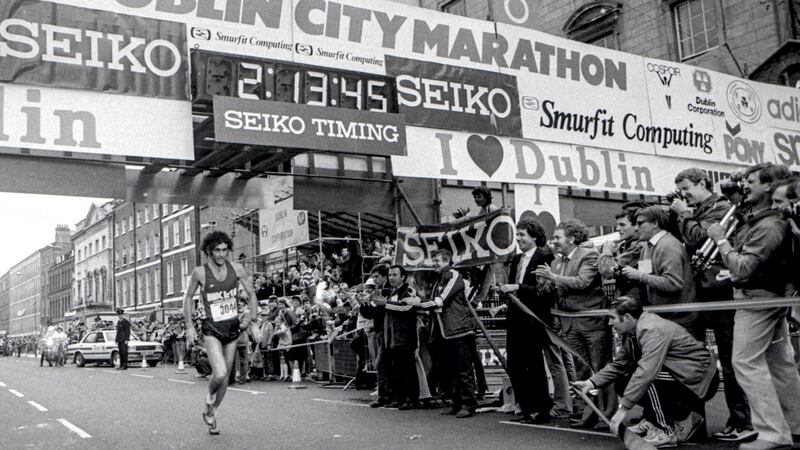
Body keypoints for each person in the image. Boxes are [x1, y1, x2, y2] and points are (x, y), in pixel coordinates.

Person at [707, 163, 800, 450]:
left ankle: (773, 432)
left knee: (745, 362)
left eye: (750, 181)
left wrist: (721, 240)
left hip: (757, 300)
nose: (744, 186)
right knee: (780, 364)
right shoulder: (765, 219)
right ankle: (795, 425)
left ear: (769, 186)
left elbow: (744, 267)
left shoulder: (769, 224)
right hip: (767, 297)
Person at [670, 168, 753, 441]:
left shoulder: (722, 208)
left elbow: (700, 239)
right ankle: (694, 423)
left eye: (687, 188)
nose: (684, 195)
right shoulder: (695, 210)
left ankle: (742, 420)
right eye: (680, 191)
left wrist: (684, 213)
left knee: (730, 360)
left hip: (720, 291)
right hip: (699, 292)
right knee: (693, 359)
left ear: (703, 183)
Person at [573, 298, 719, 448]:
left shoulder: (651, 329)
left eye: (612, 318)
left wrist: (622, 410)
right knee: (623, 382)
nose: (609, 323)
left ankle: (665, 431)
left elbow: (647, 372)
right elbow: (619, 365)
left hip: (700, 379)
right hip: (682, 376)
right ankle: (659, 421)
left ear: (628, 317)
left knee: (648, 377)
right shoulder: (633, 332)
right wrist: (590, 383)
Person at [535, 219, 611, 429]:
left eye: (558, 237)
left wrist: (553, 277)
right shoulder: (557, 262)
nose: (554, 241)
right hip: (570, 324)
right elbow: (553, 290)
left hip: (591, 322)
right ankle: (588, 413)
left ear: (572, 238)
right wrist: (544, 284)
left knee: (600, 369)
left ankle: (607, 414)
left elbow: (582, 282)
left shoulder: (589, 255)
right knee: (581, 371)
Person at [183, 231, 258, 435]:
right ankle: (208, 398)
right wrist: (189, 326)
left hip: (232, 328)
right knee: (221, 372)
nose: (221, 254)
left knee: (226, 379)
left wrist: (253, 319)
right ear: (209, 251)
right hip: (212, 329)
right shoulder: (200, 272)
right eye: (217, 250)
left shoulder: (238, 269)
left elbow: (251, 293)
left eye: (225, 250)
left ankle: (212, 412)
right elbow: (188, 298)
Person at [498, 218, 556, 424]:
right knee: (514, 364)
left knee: (534, 364)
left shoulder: (545, 257)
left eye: (522, 235)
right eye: (517, 235)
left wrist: (517, 288)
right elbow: (514, 286)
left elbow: (544, 292)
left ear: (534, 236)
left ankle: (541, 410)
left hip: (533, 318)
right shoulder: (516, 259)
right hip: (515, 317)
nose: (518, 239)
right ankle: (524, 406)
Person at [621, 206, 700, 339]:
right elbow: (648, 277)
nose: (636, 229)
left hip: (680, 320)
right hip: (663, 318)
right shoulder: (647, 246)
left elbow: (673, 283)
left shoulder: (668, 245)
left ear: (655, 223)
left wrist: (639, 275)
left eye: (640, 223)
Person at [430, 249, 478, 418]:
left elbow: (441, 300)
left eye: (437, 261)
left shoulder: (454, 275)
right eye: (434, 260)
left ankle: (469, 404)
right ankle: (456, 402)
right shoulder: (440, 279)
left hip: (460, 330)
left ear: (447, 261)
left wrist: (423, 304)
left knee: (463, 369)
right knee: (451, 370)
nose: (434, 263)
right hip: (446, 332)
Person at [384, 265, 421, 410]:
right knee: (397, 370)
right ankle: (399, 397)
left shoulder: (409, 290)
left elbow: (407, 308)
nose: (391, 277)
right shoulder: (391, 292)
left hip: (406, 336)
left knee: (408, 369)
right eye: (390, 275)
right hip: (393, 336)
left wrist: (386, 303)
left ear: (403, 277)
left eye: (394, 275)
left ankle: (412, 399)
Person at [360, 265, 393, 408]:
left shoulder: (387, 291)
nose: (374, 280)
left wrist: (373, 304)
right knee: (382, 364)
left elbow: (380, 310)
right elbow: (371, 313)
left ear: (384, 276)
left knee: (382, 363)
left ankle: (387, 395)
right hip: (381, 330)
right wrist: (363, 304)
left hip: (388, 330)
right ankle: (384, 395)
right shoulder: (379, 291)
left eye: (376, 276)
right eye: (373, 277)